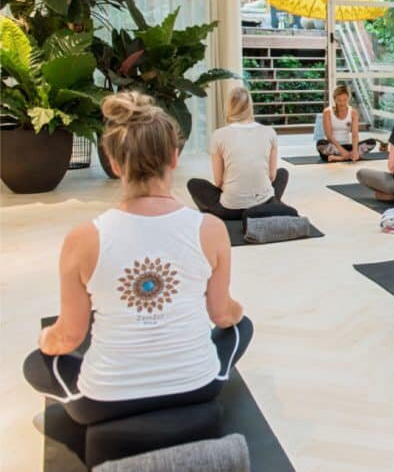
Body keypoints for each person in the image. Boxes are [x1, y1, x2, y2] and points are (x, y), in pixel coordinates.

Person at [23, 92, 252, 426]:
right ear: (174, 157)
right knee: (241, 328)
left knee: (35, 363)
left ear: (115, 164)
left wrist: (47, 340)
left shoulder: (83, 238)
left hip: (104, 403)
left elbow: (70, 337)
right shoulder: (211, 229)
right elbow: (222, 315)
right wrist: (238, 311)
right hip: (198, 388)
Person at [187, 87, 288, 220]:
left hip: (230, 210)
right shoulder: (270, 132)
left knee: (193, 184)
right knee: (282, 173)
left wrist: (238, 192)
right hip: (263, 203)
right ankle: (271, 205)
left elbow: (218, 182)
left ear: (229, 106)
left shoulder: (219, 134)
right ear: (250, 106)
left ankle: (217, 213)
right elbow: (272, 176)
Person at [317, 85, 377, 162]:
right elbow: (329, 136)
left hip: (348, 146)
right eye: (339, 100)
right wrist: (342, 151)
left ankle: (340, 158)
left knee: (371, 142)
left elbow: (355, 135)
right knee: (320, 144)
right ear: (334, 99)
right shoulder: (327, 112)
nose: (342, 103)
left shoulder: (353, 112)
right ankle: (350, 156)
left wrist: (355, 150)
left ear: (348, 98)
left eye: (345, 100)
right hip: (333, 146)